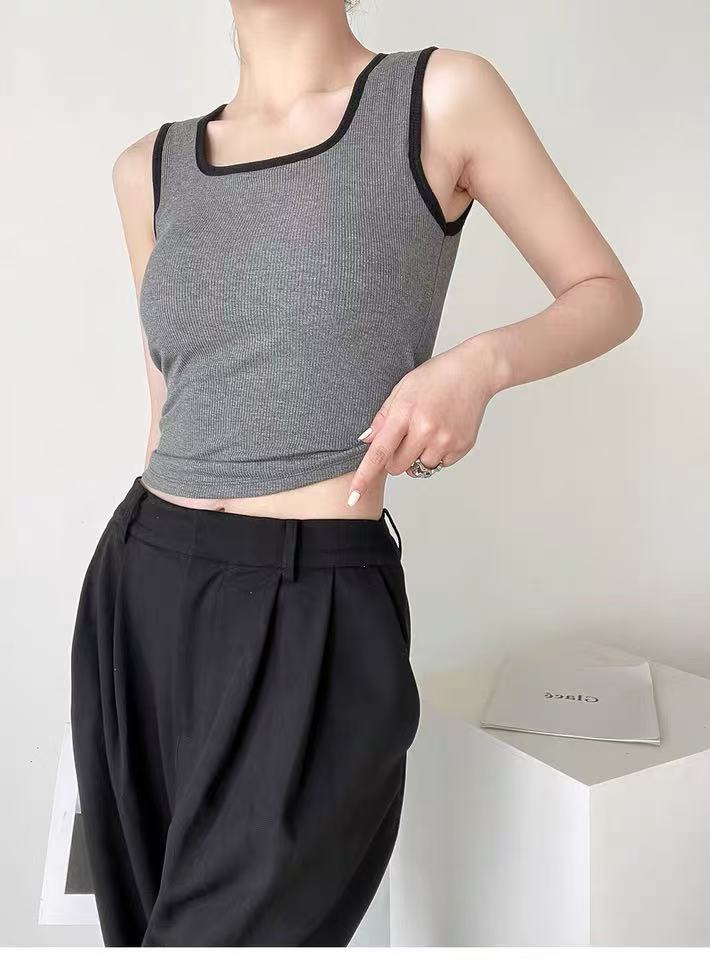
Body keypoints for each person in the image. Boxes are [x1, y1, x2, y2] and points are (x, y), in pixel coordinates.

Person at [70, 0, 642, 948]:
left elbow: (606, 295)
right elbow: (167, 404)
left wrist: (476, 367)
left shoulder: (438, 96)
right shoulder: (149, 167)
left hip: (313, 603)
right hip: (140, 587)